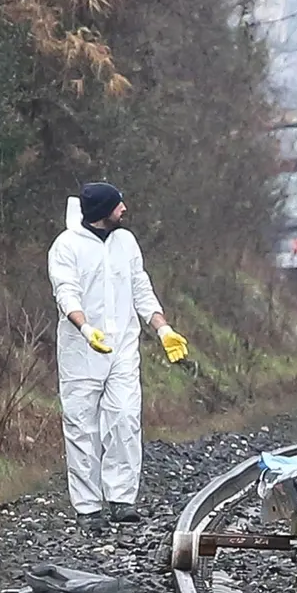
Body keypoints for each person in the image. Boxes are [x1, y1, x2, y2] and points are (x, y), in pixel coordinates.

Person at [49, 182, 189, 528]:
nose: (124, 209)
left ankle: (122, 498)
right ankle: (87, 507)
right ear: (102, 212)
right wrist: (85, 329)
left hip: (123, 347)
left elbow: (140, 286)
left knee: (125, 418)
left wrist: (162, 328)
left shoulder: (126, 242)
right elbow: (65, 292)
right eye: (118, 204)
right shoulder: (66, 247)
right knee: (82, 427)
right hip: (82, 352)